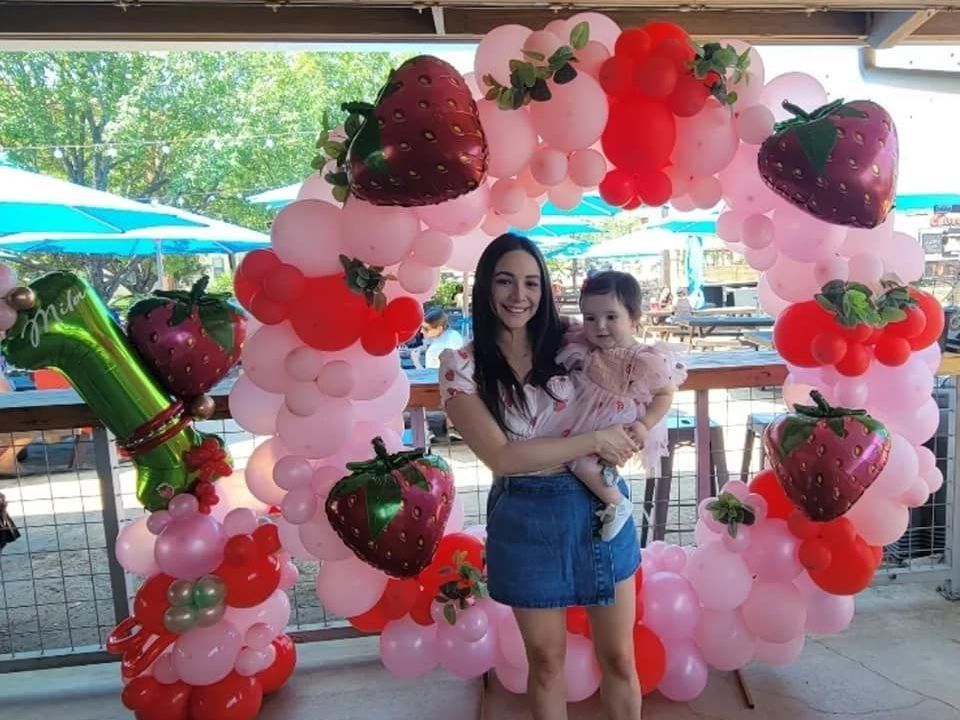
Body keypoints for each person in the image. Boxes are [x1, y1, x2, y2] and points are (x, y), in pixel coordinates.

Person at [440, 233, 643, 720]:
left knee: (619, 656)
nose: (519, 295)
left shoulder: (574, 339)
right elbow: (502, 457)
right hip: (525, 514)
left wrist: (639, 423)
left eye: (531, 283)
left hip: (599, 506)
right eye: (505, 281)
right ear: (485, 287)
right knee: (547, 662)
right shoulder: (461, 366)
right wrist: (594, 440)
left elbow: (642, 364)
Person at [548, 271, 686, 542]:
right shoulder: (585, 343)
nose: (600, 326)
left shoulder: (644, 358)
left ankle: (617, 502)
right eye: (590, 318)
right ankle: (606, 479)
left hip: (615, 420)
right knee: (569, 452)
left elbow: (665, 393)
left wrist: (644, 424)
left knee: (579, 460)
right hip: (586, 416)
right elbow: (563, 324)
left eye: (611, 317)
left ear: (633, 318)